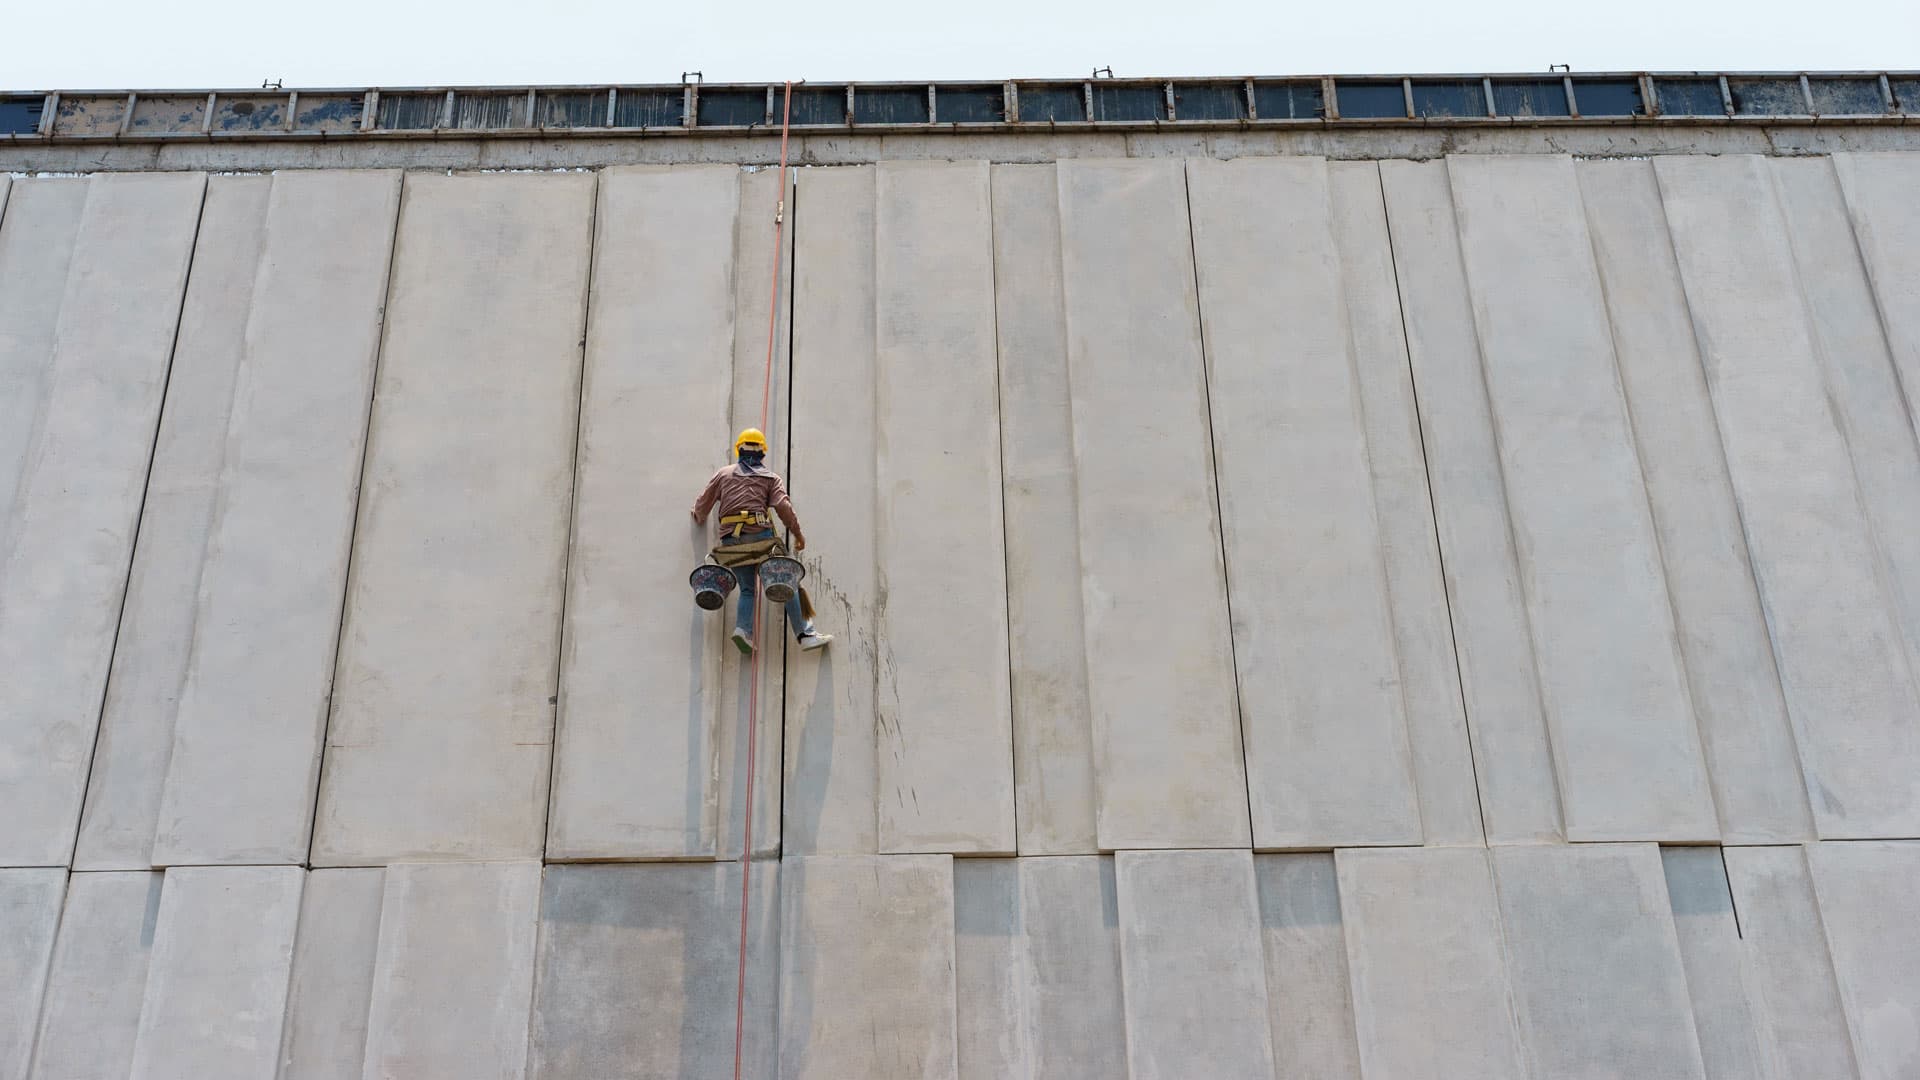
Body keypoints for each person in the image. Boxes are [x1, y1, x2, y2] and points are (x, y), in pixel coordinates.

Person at [690, 427, 832, 656]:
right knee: (787, 584)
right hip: (761, 539)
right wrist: (798, 534)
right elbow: (784, 508)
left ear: (739, 449)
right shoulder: (770, 478)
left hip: (731, 543)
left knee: (747, 589)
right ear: (762, 454)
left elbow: (703, 504)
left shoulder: (724, 474)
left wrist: (698, 515)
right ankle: (805, 635)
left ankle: (743, 630)